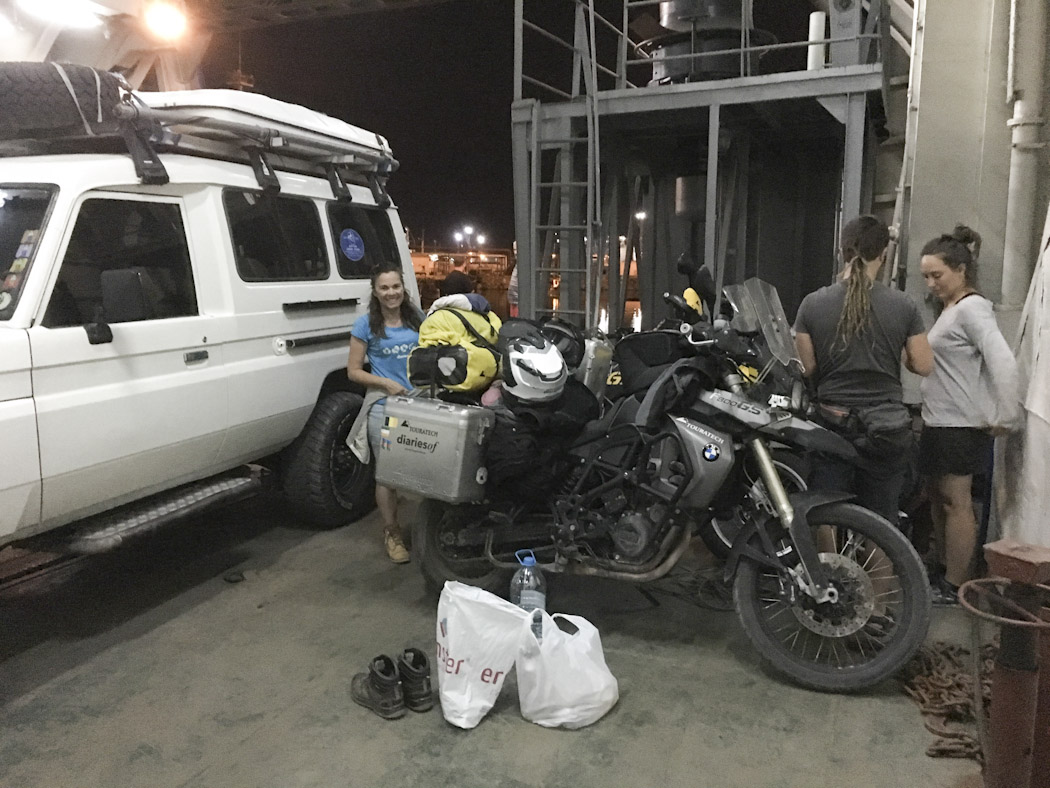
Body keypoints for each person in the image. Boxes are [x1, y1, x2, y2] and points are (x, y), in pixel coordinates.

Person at [793, 215, 934, 525]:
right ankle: (880, 575)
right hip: (886, 428)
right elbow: (923, 365)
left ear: (841, 252)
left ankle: (827, 572)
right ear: (883, 254)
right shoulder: (904, 305)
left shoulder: (812, 304)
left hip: (832, 422)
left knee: (824, 512)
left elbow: (807, 366)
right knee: (880, 522)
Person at [918, 225, 1022, 604]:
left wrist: (1006, 415)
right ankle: (944, 568)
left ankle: (956, 583)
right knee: (938, 500)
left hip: (961, 424)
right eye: (926, 276)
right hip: (940, 420)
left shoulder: (974, 308)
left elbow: (1003, 362)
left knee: (956, 502)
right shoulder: (950, 310)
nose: (930, 283)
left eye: (937, 275)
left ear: (961, 270)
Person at [346, 265, 422, 563]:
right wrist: (385, 383)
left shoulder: (419, 320)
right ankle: (392, 531)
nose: (391, 293)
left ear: (403, 288)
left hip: (420, 404)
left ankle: (429, 528)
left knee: (428, 468)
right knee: (388, 473)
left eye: (395, 287)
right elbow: (353, 372)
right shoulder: (365, 325)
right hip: (385, 406)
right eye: (384, 288)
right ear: (375, 292)